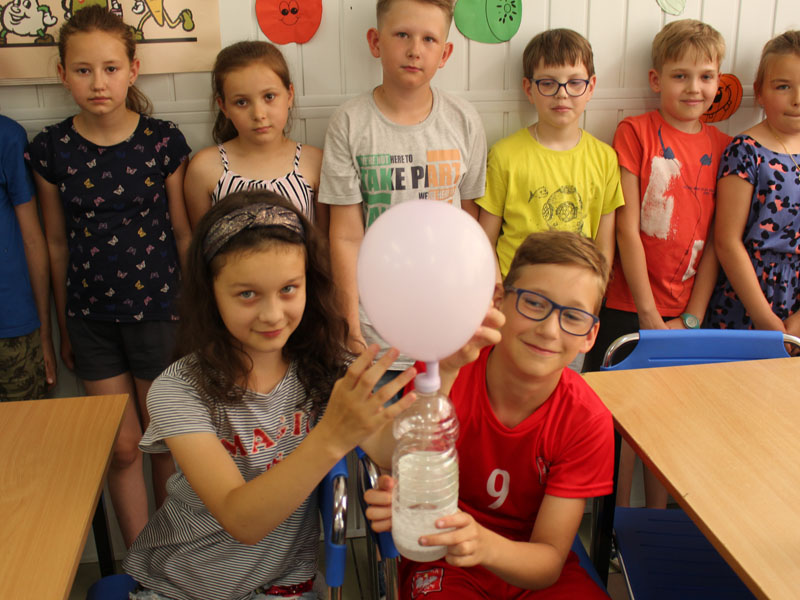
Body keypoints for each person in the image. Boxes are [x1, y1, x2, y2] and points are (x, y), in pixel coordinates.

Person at [122, 191, 417, 600]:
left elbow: (391, 450)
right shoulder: (179, 389)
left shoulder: (326, 369)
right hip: (183, 586)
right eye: (247, 294)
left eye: (289, 289)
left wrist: (447, 374)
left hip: (283, 587)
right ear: (211, 294)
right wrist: (332, 435)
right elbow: (242, 521)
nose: (273, 314)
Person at [365, 231, 614, 599]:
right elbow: (388, 455)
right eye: (534, 303)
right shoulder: (447, 366)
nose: (548, 330)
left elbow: (548, 561)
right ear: (499, 300)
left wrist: (484, 543)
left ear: (590, 335)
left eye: (573, 316)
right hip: (442, 554)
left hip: (526, 562)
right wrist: (404, 499)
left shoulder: (587, 420)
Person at [25, 6, 192, 547]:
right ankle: (141, 562)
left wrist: (196, 314)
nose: (98, 83)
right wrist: (61, 327)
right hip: (90, 319)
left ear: (133, 70)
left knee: (163, 442)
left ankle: (171, 559)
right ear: (62, 74)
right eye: (83, 70)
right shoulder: (51, 149)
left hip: (160, 314)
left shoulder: (163, 142)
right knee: (121, 447)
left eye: (111, 68)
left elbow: (183, 234)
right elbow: (55, 243)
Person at [583, 19, 731, 510]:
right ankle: (613, 525)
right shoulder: (636, 131)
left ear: (719, 81)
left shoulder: (723, 145)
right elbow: (626, 228)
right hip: (628, 306)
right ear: (655, 79)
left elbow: (717, 242)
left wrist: (691, 317)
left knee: (668, 425)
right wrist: (648, 313)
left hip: (685, 312)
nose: (694, 88)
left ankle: (656, 519)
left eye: (706, 76)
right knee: (621, 422)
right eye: (680, 76)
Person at [319, 0, 487, 374]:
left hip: (448, 326)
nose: (414, 50)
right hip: (375, 333)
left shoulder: (464, 121)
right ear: (375, 42)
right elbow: (345, 236)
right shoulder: (350, 123)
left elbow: (471, 224)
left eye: (429, 39)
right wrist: (349, 325)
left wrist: (472, 306)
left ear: (445, 54)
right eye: (402, 35)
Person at [477, 29, 624, 280]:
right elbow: (485, 239)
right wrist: (499, 290)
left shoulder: (605, 159)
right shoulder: (504, 156)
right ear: (529, 88)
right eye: (548, 83)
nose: (562, 93)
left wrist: (594, 293)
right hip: (517, 292)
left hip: (578, 293)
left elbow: (604, 245)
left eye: (574, 82)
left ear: (591, 87)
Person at [706, 31, 800, 340]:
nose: (797, 99)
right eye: (783, 86)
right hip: (748, 299)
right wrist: (764, 318)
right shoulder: (745, 150)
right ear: (759, 91)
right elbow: (727, 241)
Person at [183, 41, 324, 232]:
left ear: (289, 95)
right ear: (224, 106)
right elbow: (201, 243)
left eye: (269, 97)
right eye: (241, 102)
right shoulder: (204, 168)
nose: (258, 114)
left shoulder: (314, 162)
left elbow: (323, 241)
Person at [0, 114, 56, 401]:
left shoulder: (7, 135)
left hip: (11, 327)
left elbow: (33, 239)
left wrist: (44, 336)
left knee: (25, 426)